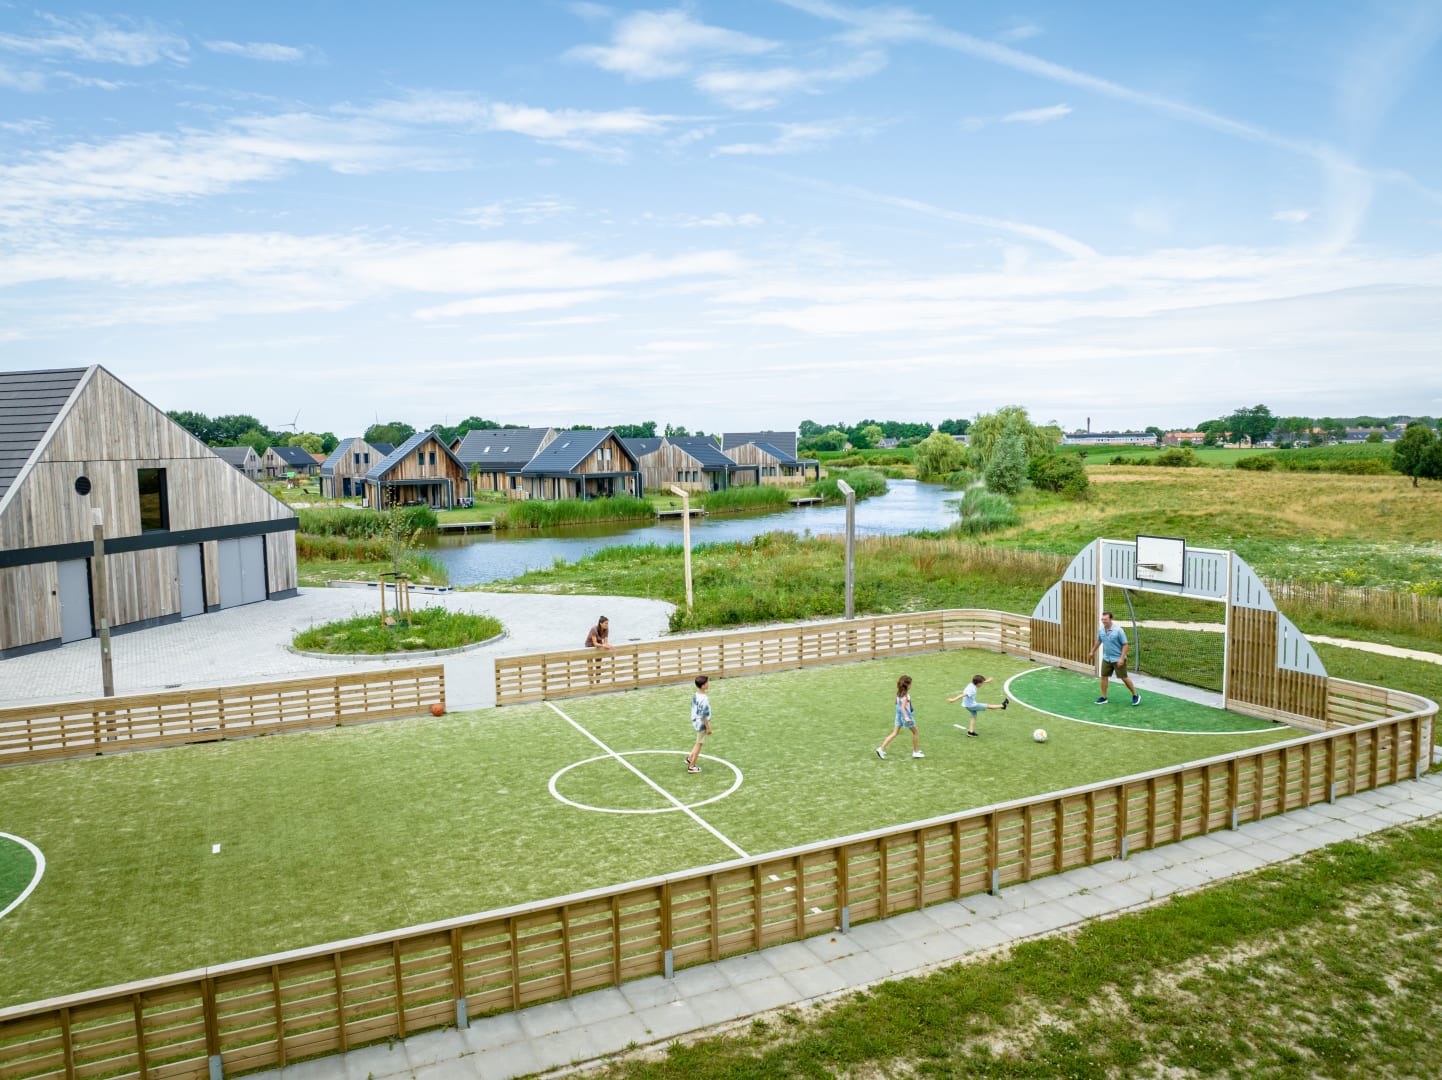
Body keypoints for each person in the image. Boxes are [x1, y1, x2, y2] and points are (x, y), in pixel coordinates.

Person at [1087, 610, 1141, 706]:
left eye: (1106, 619)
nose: (1104, 621)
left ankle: (1135, 695)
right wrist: (1092, 651)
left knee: (1124, 678)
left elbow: (1125, 645)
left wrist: (1121, 658)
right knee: (1104, 677)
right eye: (1102, 619)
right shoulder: (1101, 629)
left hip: (1118, 658)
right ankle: (1103, 697)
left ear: (1110, 619)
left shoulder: (1118, 630)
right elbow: (1099, 641)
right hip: (1107, 658)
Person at [877, 675, 924, 759]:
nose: (912, 685)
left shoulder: (898, 694)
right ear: (908, 685)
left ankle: (881, 749)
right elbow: (902, 708)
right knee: (916, 733)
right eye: (911, 684)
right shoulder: (906, 696)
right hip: (906, 716)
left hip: (898, 715)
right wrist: (906, 717)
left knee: (894, 733)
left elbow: (896, 703)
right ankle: (915, 752)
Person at [686, 675, 712, 773]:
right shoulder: (704, 699)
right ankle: (692, 766)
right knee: (699, 744)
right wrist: (708, 727)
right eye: (707, 682)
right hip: (701, 724)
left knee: (698, 742)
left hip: (696, 721)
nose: (708, 684)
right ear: (703, 685)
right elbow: (703, 715)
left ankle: (690, 758)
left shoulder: (696, 695)